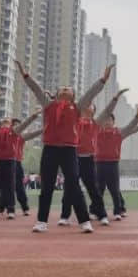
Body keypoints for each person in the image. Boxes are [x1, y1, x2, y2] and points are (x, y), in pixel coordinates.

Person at [17, 60, 111, 233]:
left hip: (69, 150)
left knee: (73, 184)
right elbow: (35, 88)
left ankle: (84, 221)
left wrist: (103, 80)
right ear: (57, 93)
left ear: (74, 95)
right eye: (63, 87)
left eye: (69, 87)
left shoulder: (77, 107)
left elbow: (90, 94)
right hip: (50, 149)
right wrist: (25, 74)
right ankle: (41, 221)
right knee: (47, 186)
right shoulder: (48, 105)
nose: (66, 88)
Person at [60, 89, 128, 226]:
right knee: (69, 187)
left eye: (91, 105)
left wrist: (115, 98)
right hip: (73, 157)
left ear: (94, 111)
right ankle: (64, 216)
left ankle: (102, 215)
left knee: (94, 189)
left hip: (89, 159)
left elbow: (108, 111)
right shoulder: (74, 120)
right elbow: (67, 109)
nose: (87, 106)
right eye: (86, 104)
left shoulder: (96, 124)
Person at [0, 112, 42, 219]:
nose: (6, 122)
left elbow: (27, 127)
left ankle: (19, 209)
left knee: (15, 187)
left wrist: (35, 119)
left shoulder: (17, 133)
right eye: (4, 121)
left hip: (12, 162)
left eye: (7, 121)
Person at [96, 110, 138, 220]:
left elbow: (129, 129)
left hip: (113, 163)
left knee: (114, 189)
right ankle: (95, 210)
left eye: (109, 120)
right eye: (105, 120)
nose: (107, 122)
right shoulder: (96, 131)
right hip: (99, 163)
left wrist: (137, 118)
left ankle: (118, 211)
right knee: (99, 189)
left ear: (113, 122)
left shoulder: (118, 132)